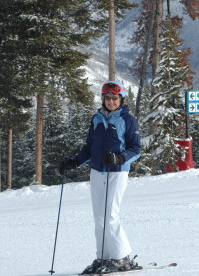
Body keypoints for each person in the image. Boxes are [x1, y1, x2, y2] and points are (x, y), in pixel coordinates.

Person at [59, 81, 141, 274]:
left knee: (111, 214)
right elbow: (89, 147)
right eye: (108, 98)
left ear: (121, 100)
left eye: (115, 98)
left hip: (117, 172)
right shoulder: (96, 119)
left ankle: (121, 258)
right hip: (97, 171)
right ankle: (103, 257)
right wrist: (75, 161)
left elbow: (136, 149)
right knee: (99, 217)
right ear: (103, 99)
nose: (111, 101)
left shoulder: (128, 120)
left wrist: (120, 158)